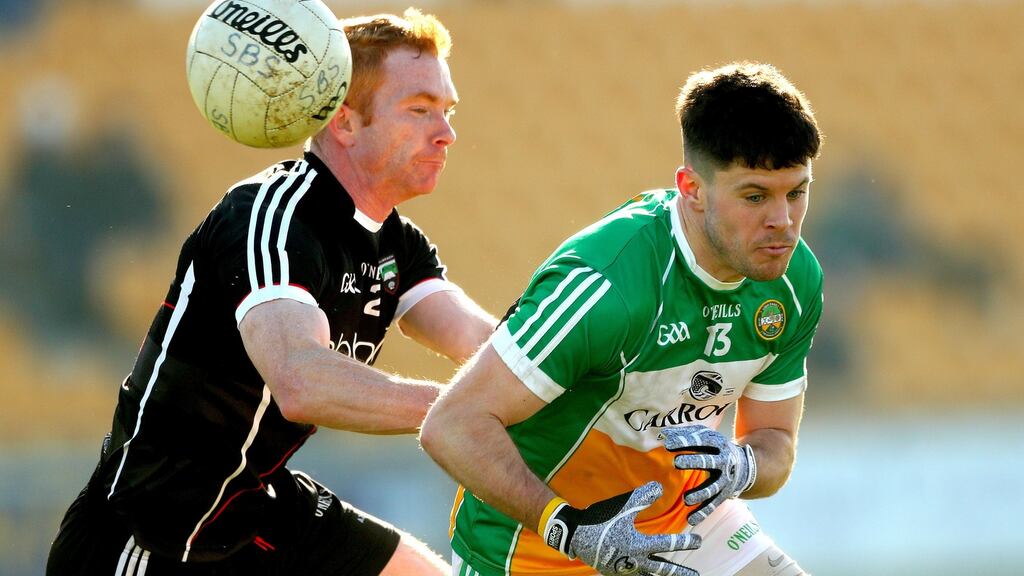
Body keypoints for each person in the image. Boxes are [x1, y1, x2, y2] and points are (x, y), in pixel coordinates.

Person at [47, 8, 496, 576]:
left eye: (447, 111)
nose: (446, 132)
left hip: (254, 503)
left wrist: (564, 378)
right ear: (345, 122)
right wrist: (465, 408)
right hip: (154, 528)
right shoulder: (270, 215)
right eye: (419, 109)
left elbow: (487, 345)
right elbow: (301, 381)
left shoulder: (398, 245)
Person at [421, 61, 823, 576]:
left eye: (796, 192)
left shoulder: (793, 281)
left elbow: (776, 443)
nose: (782, 222)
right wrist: (572, 529)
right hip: (542, 547)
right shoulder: (609, 286)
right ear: (692, 189)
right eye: (755, 196)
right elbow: (452, 425)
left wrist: (742, 466)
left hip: (685, 519)